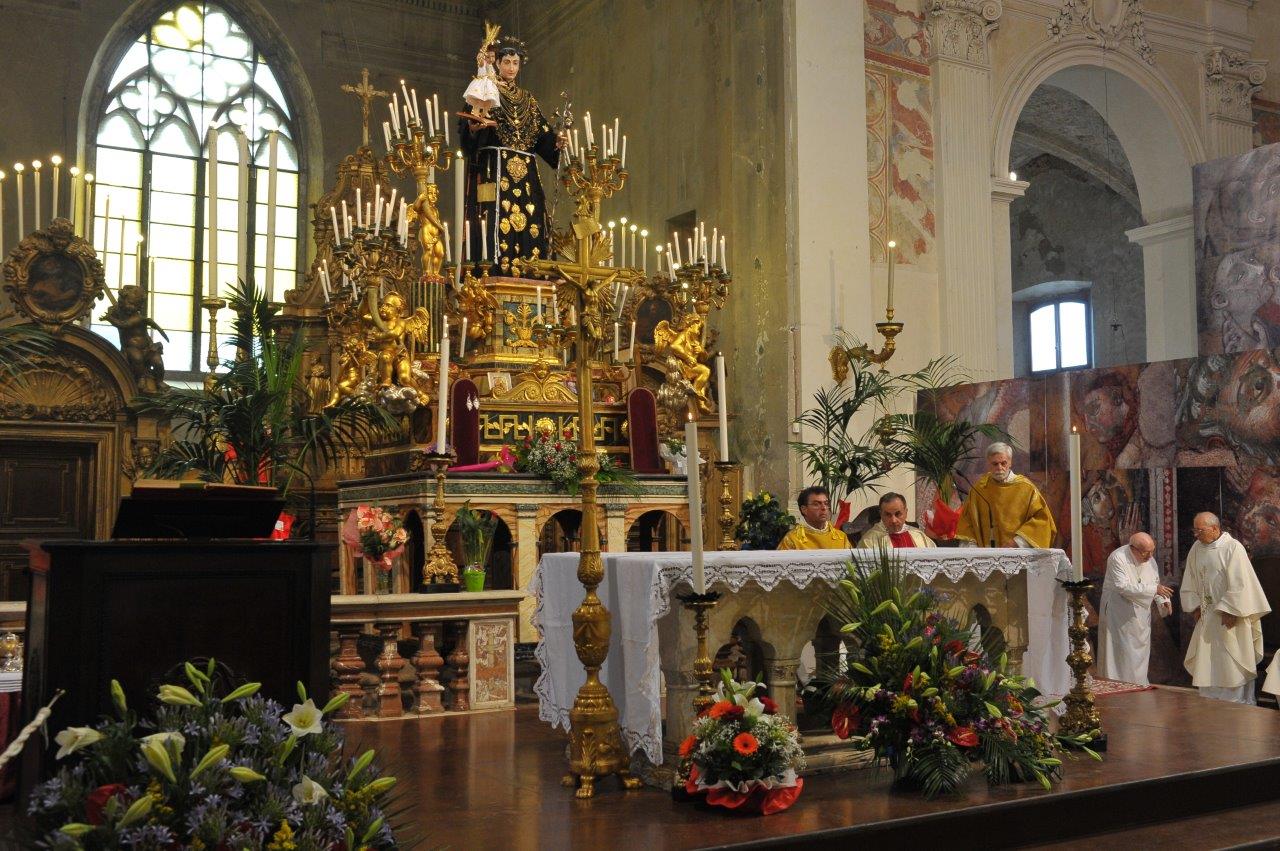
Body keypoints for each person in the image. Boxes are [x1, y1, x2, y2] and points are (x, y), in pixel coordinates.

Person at [458, 36, 567, 277]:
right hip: (496, 168)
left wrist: (556, 143)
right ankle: (494, 272)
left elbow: (541, 134)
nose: (511, 68)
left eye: (515, 63)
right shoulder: (486, 88)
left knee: (531, 220)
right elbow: (470, 122)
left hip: (525, 174)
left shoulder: (528, 99)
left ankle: (529, 273)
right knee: (495, 221)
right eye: (506, 62)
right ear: (497, 63)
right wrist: (474, 129)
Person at [1180, 512, 1271, 704]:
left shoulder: (1233, 547)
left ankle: (1235, 702)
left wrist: (1230, 610)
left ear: (1215, 528)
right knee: (1208, 660)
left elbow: (1241, 582)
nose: (1196, 535)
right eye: (1194, 530)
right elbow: (1190, 578)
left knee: (1232, 658)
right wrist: (1194, 605)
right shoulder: (1196, 548)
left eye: (1200, 530)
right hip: (1207, 616)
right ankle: (1210, 698)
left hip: (1230, 616)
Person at [1097, 533, 1173, 686]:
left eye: (1152, 551)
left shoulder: (1150, 560)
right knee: (1121, 653)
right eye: (1145, 552)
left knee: (1139, 655)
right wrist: (1155, 590)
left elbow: (1155, 582)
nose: (1150, 556)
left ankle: (1138, 683)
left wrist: (1162, 600)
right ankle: (1117, 684)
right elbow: (1123, 586)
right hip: (1119, 614)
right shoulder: (1117, 558)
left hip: (1141, 615)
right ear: (1133, 548)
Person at [954, 442, 1057, 548]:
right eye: (995, 464)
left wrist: (1017, 542)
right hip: (984, 553)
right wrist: (972, 549)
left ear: (1010, 462)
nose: (999, 468)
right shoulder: (979, 489)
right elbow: (968, 523)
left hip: (1016, 552)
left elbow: (1042, 520)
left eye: (1003, 463)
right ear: (988, 464)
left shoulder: (1026, 488)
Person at [777, 486, 851, 550]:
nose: (824, 508)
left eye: (826, 503)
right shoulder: (792, 539)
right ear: (804, 509)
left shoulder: (841, 538)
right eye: (816, 504)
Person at [858, 492, 936, 549]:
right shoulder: (869, 540)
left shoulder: (918, 536)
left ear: (906, 512)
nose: (893, 520)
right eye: (888, 515)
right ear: (881, 514)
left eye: (898, 514)